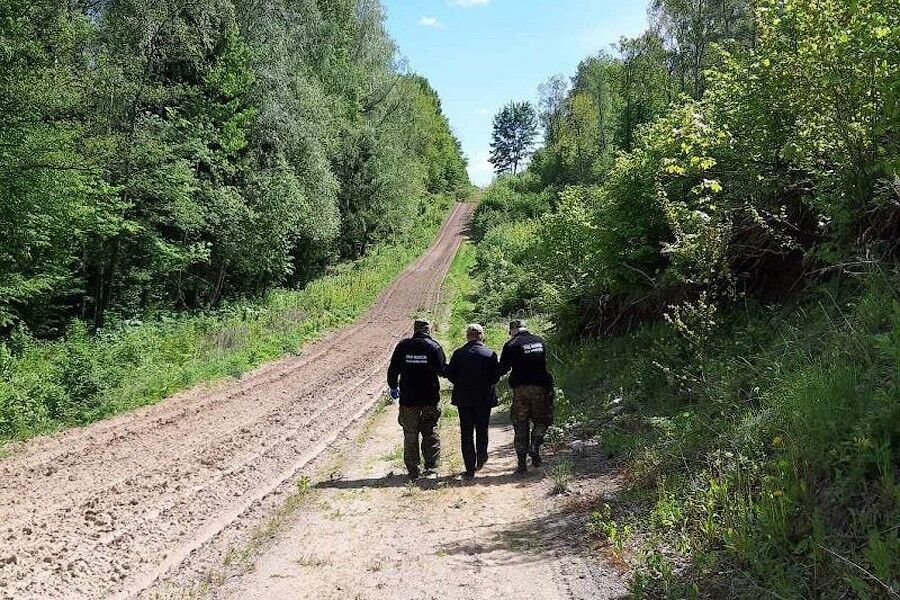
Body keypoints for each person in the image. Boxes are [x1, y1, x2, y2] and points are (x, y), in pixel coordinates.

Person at [387, 319, 447, 480]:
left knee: (410, 433)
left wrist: (393, 386)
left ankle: (413, 469)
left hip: (408, 399)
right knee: (430, 431)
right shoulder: (434, 346)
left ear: (415, 330)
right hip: (430, 397)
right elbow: (442, 370)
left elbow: (393, 369)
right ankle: (432, 467)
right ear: (428, 330)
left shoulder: (403, 346)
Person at [497, 319, 554, 474]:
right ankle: (535, 445)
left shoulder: (511, 344)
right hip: (541, 388)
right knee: (542, 420)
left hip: (521, 389)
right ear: (525, 328)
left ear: (512, 330)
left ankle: (522, 464)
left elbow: (503, 368)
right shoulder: (539, 341)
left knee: (520, 424)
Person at [444, 324, 499, 480]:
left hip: (464, 399)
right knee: (482, 429)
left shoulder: (458, 354)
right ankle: (481, 457)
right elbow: (495, 377)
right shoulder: (490, 354)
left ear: (467, 336)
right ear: (481, 336)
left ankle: (469, 468)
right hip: (484, 399)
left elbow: (450, 375)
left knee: (466, 433)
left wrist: (462, 384)